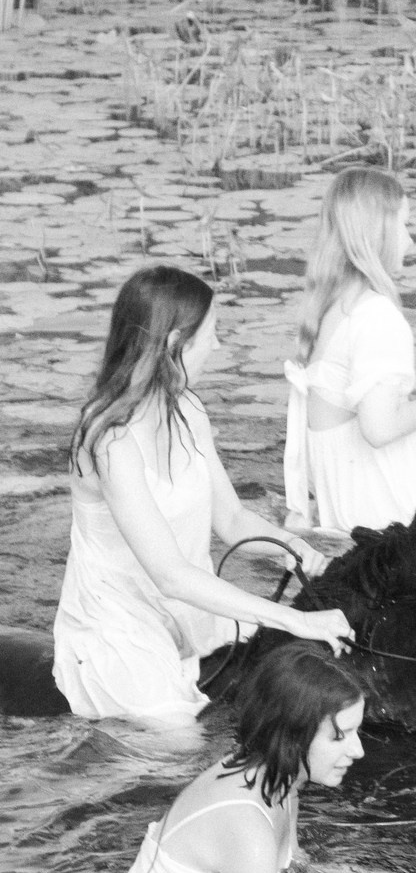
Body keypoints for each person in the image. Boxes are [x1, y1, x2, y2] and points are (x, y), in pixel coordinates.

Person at [53, 267, 354, 724]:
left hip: (191, 612)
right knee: (179, 747)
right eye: (212, 333)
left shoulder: (188, 409)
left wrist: (294, 548)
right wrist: (293, 618)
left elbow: (230, 519)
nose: (217, 345)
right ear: (175, 344)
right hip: (120, 628)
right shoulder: (110, 441)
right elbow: (170, 574)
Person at [101, 641, 366, 873]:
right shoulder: (246, 823)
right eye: (340, 736)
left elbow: (294, 872)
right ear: (291, 735)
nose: (359, 750)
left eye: (357, 731)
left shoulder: (277, 777)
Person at [285, 168, 416, 533]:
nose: (410, 241)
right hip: (386, 510)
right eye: (404, 226)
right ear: (377, 232)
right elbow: (378, 429)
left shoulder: (333, 307)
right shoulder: (378, 315)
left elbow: (342, 396)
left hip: (345, 506)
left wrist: (405, 386)